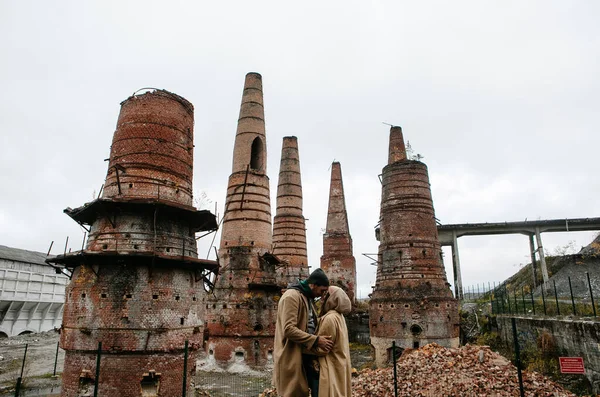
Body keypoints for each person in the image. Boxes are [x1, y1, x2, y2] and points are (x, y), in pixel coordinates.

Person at [273, 268, 334, 397]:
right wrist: (317, 340)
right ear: (313, 285)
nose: (322, 295)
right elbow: (288, 329)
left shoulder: (307, 297)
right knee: (293, 392)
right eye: (321, 290)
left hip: (305, 354)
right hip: (291, 354)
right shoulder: (292, 296)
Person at [309, 286, 353, 397]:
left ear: (331, 298)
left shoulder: (330, 318)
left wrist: (304, 346)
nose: (322, 298)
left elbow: (322, 349)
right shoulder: (339, 316)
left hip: (328, 370)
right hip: (337, 366)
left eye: (325, 295)